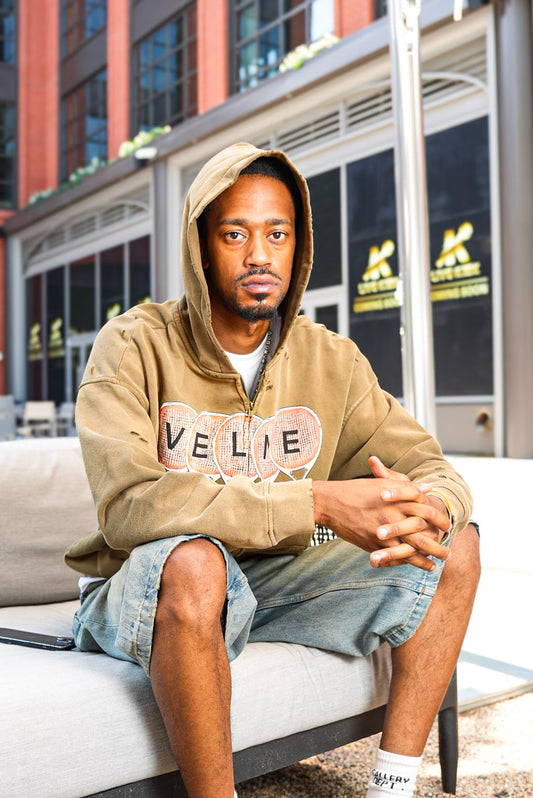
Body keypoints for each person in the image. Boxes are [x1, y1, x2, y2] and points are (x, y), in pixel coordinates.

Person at [65, 142, 480, 798]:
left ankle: (393, 787)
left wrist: (430, 507)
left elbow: (430, 466)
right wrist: (315, 503)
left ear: (297, 246)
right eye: (235, 234)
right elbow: (130, 504)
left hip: (273, 583)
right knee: (195, 564)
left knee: (455, 546)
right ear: (202, 248)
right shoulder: (133, 345)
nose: (259, 254)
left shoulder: (331, 359)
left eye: (276, 234)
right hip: (150, 586)